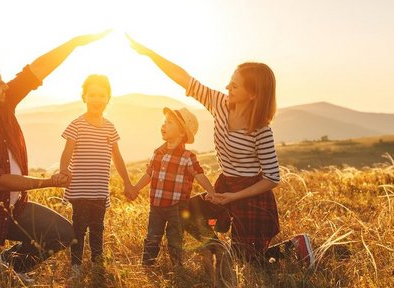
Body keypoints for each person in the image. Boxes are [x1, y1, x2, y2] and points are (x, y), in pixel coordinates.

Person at [127, 35, 315, 267]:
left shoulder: (261, 130)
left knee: (249, 262)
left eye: (234, 86)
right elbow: (185, 79)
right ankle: (219, 250)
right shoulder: (220, 104)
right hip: (225, 185)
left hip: (251, 195)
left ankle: (296, 247)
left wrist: (234, 197)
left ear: (253, 94)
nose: (227, 88)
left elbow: (272, 178)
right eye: (229, 82)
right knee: (184, 212)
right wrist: (149, 54)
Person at [0, 31, 109, 283]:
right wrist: (48, 182)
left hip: (14, 207)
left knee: (63, 233)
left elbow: (36, 71)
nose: (6, 87)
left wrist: (75, 43)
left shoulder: (1, 102)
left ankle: (9, 264)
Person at [59, 74, 132, 276]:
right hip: (80, 188)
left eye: (102, 95)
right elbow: (67, 151)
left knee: (97, 228)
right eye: (92, 94)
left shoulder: (110, 127)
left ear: (108, 98)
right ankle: (76, 266)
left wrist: (127, 182)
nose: (97, 99)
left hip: (99, 190)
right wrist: (64, 169)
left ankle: (97, 263)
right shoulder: (77, 124)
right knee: (79, 228)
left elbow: (117, 157)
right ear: (84, 97)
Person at [128, 107, 216, 267]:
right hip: (156, 205)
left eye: (169, 122)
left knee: (175, 236)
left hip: (177, 207)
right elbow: (149, 174)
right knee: (153, 235)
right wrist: (135, 188)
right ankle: (147, 265)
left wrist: (212, 192)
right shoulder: (157, 153)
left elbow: (199, 174)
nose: (164, 125)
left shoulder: (187, 157)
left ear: (182, 133)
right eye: (164, 122)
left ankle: (177, 266)